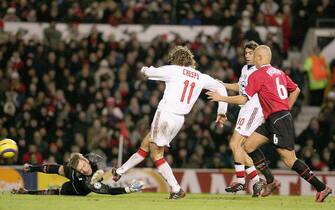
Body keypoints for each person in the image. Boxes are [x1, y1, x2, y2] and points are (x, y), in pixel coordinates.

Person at [206, 45, 332, 202]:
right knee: (248, 146)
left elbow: (244, 99)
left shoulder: (258, 74)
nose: (252, 59)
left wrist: (222, 98)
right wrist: (286, 109)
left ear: (259, 58)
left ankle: (321, 187)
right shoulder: (279, 72)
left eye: (254, 56)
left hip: (278, 119)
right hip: (273, 118)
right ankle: (271, 181)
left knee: (289, 160)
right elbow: (296, 90)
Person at [111, 45, 233, 199]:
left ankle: (176, 189)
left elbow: (150, 72)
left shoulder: (174, 69)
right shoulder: (200, 76)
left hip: (165, 115)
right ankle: (120, 171)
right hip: (179, 119)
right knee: (146, 143)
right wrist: (222, 111)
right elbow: (221, 88)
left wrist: (143, 69)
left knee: (156, 154)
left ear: (175, 59)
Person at [222, 41, 279, 196]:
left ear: (258, 55)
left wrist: (221, 97)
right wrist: (222, 84)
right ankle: (256, 181)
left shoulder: (258, 71)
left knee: (235, 144)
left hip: (253, 108)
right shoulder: (245, 69)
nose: (247, 56)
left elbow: (245, 96)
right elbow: (240, 87)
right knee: (241, 147)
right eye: (245, 53)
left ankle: (241, 181)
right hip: (245, 110)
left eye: (251, 53)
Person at [13, 153, 143, 196]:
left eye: (84, 165)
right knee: (58, 191)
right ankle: (26, 192)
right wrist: (129, 189)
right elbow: (108, 190)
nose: (85, 169)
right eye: (81, 169)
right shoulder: (80, 176)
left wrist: (113, 172)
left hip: (90, 181)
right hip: (78, 189)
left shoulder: (91, 158)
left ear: (86, 160)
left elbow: (102, 162)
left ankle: (26, 192)